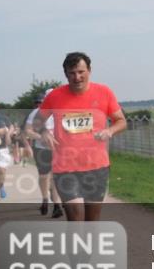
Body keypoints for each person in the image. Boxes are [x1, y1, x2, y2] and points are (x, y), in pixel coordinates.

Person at [37, 52, 127, 222]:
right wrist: (44, 132)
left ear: (89, 71)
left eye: (80, 72)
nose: (76, 77)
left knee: (92, 221)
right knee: (76, 219)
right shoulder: (54, 96)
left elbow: (121, 121)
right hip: (65, 167)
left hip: (96, 166)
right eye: (71, 73)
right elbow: (37, 121)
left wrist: (110, 131)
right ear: (65, 74)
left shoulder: (104, 92)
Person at [23, 90, 63, 218]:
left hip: (59, 149)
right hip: (41, 149)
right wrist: (41, 137)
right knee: (44, 176)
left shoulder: (64, 112)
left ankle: (57, 205)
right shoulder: (36, 113)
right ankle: (45, 199)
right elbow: (28, 131)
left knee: (56, 176)